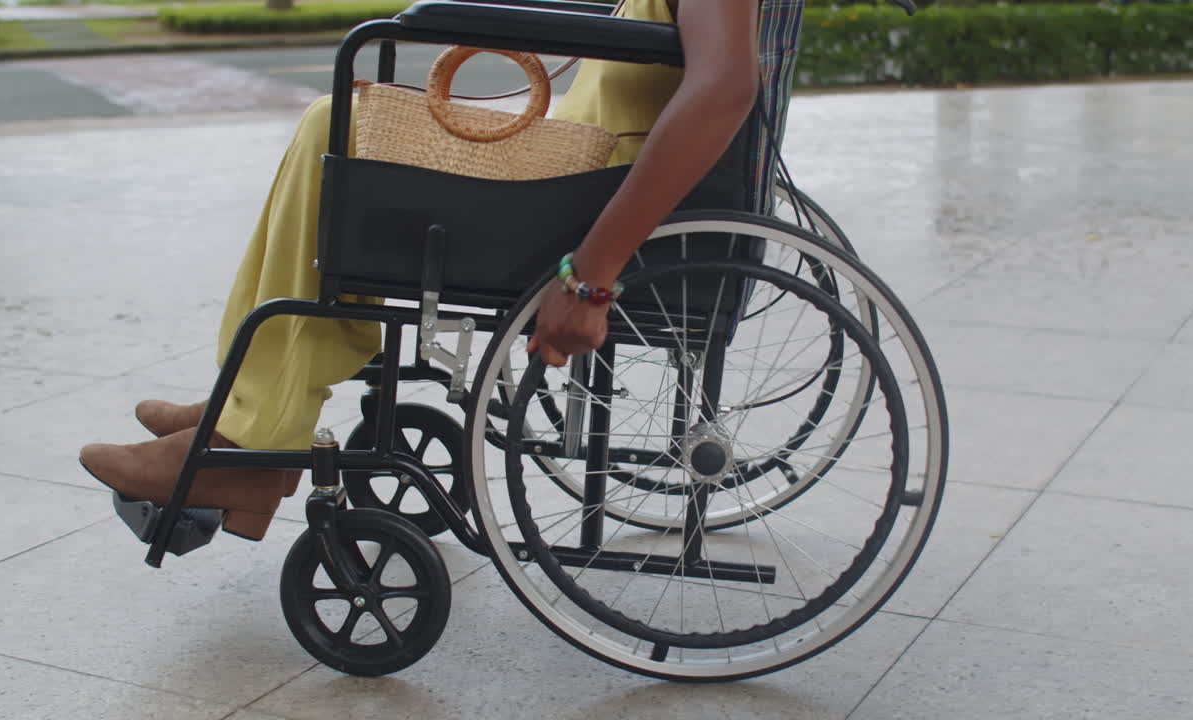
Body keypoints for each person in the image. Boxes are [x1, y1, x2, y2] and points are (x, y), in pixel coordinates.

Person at [78, 0, 761, 540]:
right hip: (571, 179)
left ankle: (251, 438)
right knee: (337, 123)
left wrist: (591, 275)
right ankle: (251, 406)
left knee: (335, 123)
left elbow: (725, 86)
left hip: (578, 200)